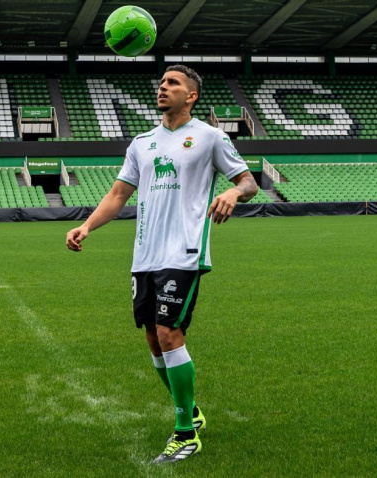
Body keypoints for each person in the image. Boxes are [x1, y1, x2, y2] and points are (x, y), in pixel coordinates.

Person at [65, 65, 258, 464]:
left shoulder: (210, 137)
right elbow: (119, 194)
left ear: (191, 96)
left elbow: (249, 181)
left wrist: (233, 194)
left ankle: (185, 434)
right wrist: (86, 226)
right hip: (145, 254)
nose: (163, 88)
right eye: (162, 82)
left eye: (173, 83)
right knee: (153, 340)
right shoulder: (142, 142)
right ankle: (191, 411)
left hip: (184, 252)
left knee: (169, 333)